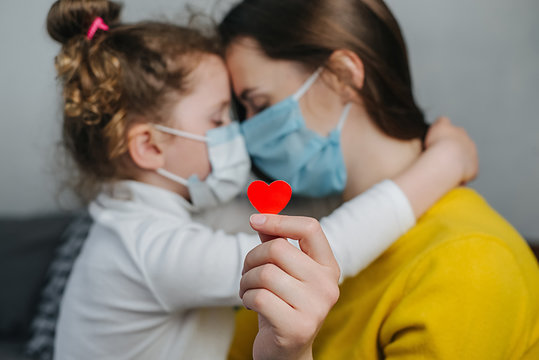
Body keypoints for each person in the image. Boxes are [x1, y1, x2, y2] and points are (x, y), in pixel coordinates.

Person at [44, 0, 476, 359]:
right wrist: (444, 163)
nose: (239, 133)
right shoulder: (147, 250)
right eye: (218, 118)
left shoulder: (146, 225)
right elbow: (319, 252)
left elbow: (281, 222)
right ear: (150, 147)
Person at [218, 0, 539, 359]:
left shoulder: (471, 261)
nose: (248, 132)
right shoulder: (311, 233)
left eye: (260, 105)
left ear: (342, 74)